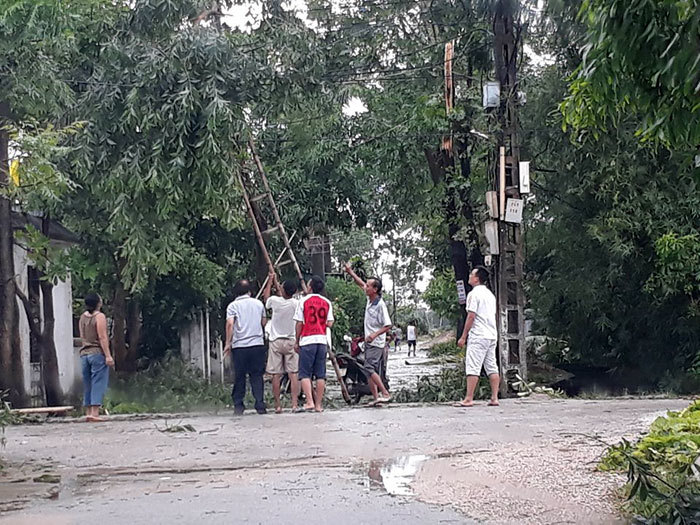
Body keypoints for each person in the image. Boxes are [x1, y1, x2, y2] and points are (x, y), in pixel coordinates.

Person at [344, 263, 392, 404]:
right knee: (369, 371)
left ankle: (385, 392)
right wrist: (350, 272)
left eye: (369, 286)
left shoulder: (380, 305)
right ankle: (376, 398)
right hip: (368, 342)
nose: (366, 287)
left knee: (369, 368)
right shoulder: (369, 300)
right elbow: (360, 283)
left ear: (375, 289)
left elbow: (388, 325)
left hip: (376, 343)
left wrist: (374, 335)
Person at [455, 266, 500, 407]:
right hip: (491, 334)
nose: (469, 276)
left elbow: (471, 316)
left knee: (473, 366)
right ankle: (494, 397)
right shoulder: (490, 295)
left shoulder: (474, 295)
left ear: (477, 278)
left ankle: (468, 398)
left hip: (478, 335)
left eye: (472, 274)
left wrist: (463, 336)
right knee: (492, 366)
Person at [224, 279, 267, 415]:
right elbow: (264, 321)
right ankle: (259, 404)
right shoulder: (258, 304)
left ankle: (238, 405)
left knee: (240, 375)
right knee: (257, 375)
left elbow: (230, 324)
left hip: (240, 346)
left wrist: (228, 343)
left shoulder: (233, 306)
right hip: (257, 344)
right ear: (250, 291)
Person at [294, 275, 334, 412]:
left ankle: (309, 401)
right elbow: (330, 323)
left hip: (307, 340)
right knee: (320, 374)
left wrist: (296, 340)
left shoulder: (303, 301)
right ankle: (318, 405)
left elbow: (299, 323)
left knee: (305, 373)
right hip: (322, 340)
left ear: (310, 287)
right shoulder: (327, 302)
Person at [262, 273, 300, 414]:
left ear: (282, 289)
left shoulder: (275, 301)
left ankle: (278, 405)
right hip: (291, 340)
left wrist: (270, 280)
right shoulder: (296, 304)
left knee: (276, 374)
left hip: (276, 341)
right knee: (293, 373)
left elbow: (265, 298)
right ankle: (294, 404)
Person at [79, 293, 114, 422]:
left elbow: (83, 336)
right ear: (98, 303)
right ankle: (95, 413)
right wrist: (108, 355)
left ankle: (88, 411)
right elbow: (102, 337)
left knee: (87, 383)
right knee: (98, 382)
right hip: (97, 353)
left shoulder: (82, 317)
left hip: (84, 354)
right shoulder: (99, 317)